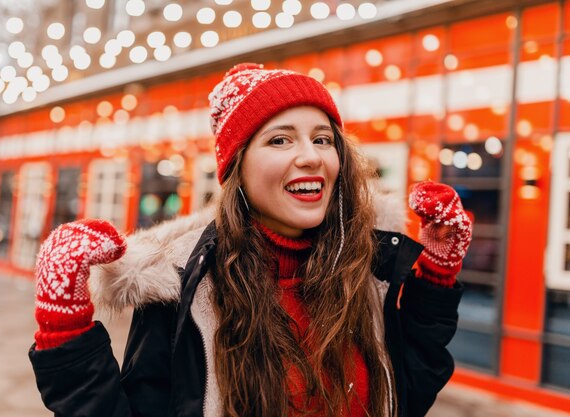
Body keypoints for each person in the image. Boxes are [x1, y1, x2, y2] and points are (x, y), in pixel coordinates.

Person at [29, 63, 472, 417]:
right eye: (280, 139)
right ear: (237, 169)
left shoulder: (367, 265)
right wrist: (65, 334)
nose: (311, 156)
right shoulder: (182, 286)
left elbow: (408, 389)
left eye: (323, 139)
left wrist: (435, 275)